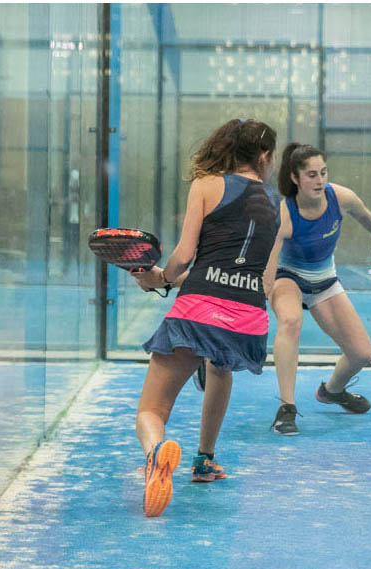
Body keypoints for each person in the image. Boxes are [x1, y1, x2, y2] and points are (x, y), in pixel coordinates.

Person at [131, 118, 279, 517]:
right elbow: (258, 278)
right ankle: (205, 459)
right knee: (220, 369)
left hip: (197, 312)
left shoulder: (206, 185)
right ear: (264, 156)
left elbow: (184, 257)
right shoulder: (277, 204)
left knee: (150, 411)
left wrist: (159, 279)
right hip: (248, 320)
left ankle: (157, 454)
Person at [264, 143, 371, 436]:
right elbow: (270, 263)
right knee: (290, 321)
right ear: (295, 178)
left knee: (362, 354)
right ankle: (286, 408)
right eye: (311, 175)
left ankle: (332, 391)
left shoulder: (341, 197)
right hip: (288, 277)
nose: (320, 180)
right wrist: (262, 294)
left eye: (323, 173)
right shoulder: (285, 212)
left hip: (324, 280)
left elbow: (364, 214)